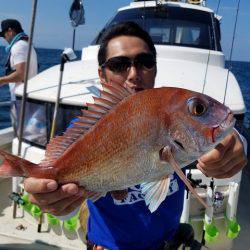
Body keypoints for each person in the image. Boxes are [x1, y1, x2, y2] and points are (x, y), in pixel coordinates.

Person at [23, 22, 247, 249]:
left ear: (155, 68)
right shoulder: (84, 132)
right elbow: (65, 199)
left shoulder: (172, 123)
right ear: (102, 74)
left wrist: (237, 144)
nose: (133, 74)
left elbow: (228, 140)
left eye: (145, 62)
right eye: (119, 65)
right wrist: (56, 204)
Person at [0, 19, 38, 133]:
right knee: (25, 132)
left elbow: (21, 74)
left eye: (4, 34)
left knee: (21, 132)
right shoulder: (26, 44)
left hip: (21, 100)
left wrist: (1, 80)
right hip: (27, 98)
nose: (4, 38)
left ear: (10, 31)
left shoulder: (19, 46)